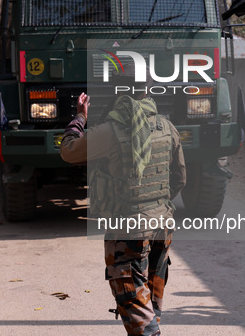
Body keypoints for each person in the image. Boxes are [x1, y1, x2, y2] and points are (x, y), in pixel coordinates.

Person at [60, 71, 186, 336]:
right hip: (162, 225)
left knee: (134, 303)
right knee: (149, 300)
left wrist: (80, 116)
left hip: (129, 229)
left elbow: (68, 150)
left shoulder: (111, 131)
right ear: (148, 91)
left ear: (119, 92)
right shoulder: (167, 127)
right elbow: (179, 179)